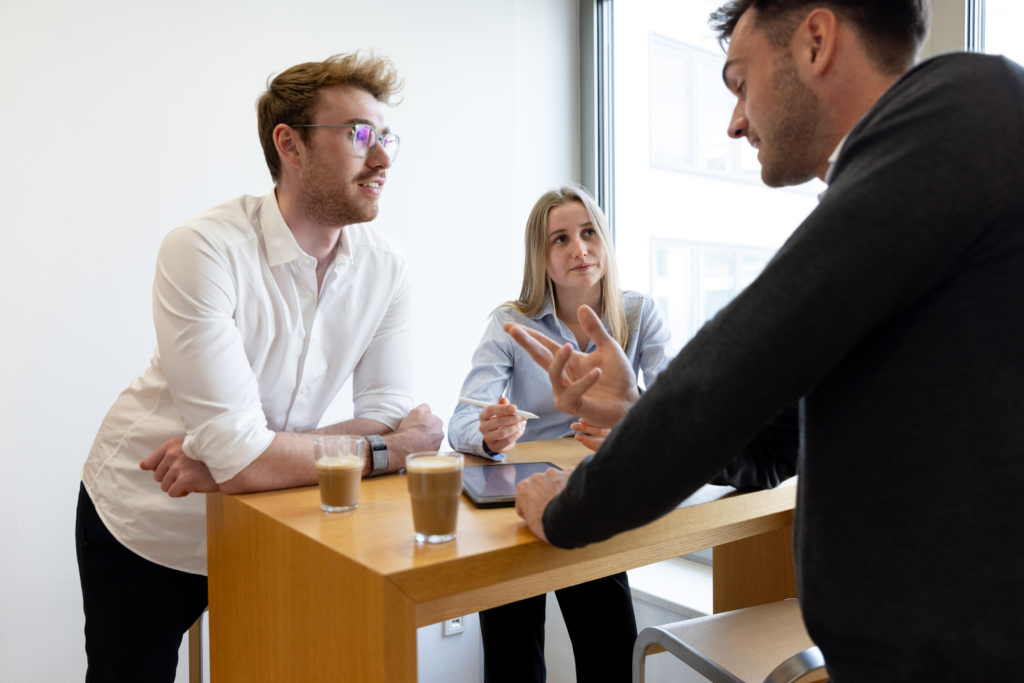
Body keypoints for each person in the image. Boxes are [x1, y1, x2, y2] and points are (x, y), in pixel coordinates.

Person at [509, 1, 1024, 681]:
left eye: (739, 81)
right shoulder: (924, 179)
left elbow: (733, 369)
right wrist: (638, 413)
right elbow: (773, 438)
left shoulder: (962, 111)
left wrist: (568, 511)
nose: (734, 121)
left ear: (815, 41)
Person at [76, 53, 443, 682]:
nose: (381, 158)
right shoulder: (203, 249)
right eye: (359, 135)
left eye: (386, 138)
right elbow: (383, 434)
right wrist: (391, 451)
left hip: (273, 520)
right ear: (290, 145)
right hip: (150, 518)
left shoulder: (388, 267)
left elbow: (381, 413)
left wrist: (233, 466)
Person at [448, 186, 672, 682]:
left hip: (590, 491)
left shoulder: (638, 315)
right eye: (561, 239)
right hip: (515, 498)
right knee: (512, 664)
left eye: (589, 233)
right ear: (540, 257)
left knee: (611, 658)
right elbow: (461, 422)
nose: (580, 249)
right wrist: (490, 434)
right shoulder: (509, 323)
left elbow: (674, 414)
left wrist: (628, 422)